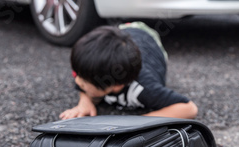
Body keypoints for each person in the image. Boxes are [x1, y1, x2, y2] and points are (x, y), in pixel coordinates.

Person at [59, 22, 198, 120]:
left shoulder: (144, 86)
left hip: (146, 36)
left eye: (83, 83)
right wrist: (85, 101)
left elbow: (189, 108)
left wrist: (139, 122)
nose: (77, 81)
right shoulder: (93, 71)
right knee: (111, 45)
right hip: (123, 33)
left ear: (117, 85)